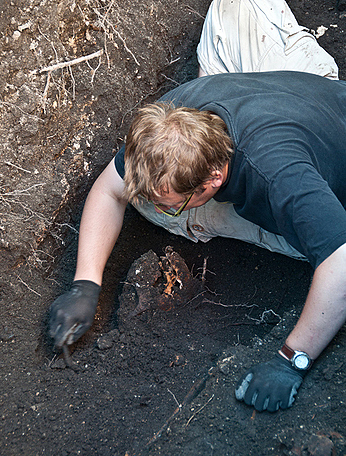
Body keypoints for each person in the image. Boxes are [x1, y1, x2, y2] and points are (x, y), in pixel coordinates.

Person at [49, 0, 346, 412]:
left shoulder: (279, 179)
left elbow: (342, 262)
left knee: (327, 255)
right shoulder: (176, 118)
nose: (160, 207)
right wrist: (86, 283)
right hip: (302, 97)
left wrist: (291, 361)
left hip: (324, 170)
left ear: (213, 179)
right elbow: (108, 189)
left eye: (173, 203)